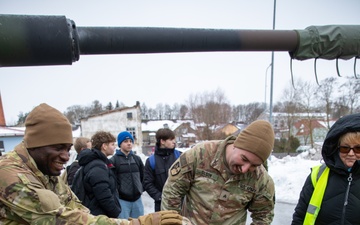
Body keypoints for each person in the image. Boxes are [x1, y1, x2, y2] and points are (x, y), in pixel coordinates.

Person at [0, 103, 190, 225]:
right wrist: (136, 224)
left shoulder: (46, 171)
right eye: (58, 148)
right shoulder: (10, 174)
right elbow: (61, 219)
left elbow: (76, 208)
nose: (66, 156)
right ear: (36, 145)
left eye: (67, 148)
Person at [161, 119, 276, 225]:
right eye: (244, 159)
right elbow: (172, 192)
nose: (245, 169)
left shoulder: (261, 179)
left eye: (254, 165)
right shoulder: (200, 155)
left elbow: (263, 216)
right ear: (236, 144)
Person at [291, 113, 360, 225]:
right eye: (345, 148)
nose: (351, 153)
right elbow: (300, 215)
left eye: (358, 148)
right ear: (336, 149)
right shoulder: (318, 175)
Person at [72, 131, 120, 218]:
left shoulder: (99, 163)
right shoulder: (98, 166)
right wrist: (115, 212)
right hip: (99, 215)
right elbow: (103, 195)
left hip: (97, 213)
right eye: (112, 144)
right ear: (104, 146)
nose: (115, 147)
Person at [143, 128, 182, 212]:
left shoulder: (180, 157)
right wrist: (160, 197)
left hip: (180, 204)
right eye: (171, 139)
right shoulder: (151, 161)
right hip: (161, 205)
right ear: (162, 141)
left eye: (174, 139)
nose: (174, 142)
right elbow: (147, 183)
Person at [110, 131, 145, 219]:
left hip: (137, 200)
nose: (129, 144)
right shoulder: (114, 161)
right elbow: (111, 180)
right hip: (122, 201)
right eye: (126, 141)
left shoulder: (137, 159)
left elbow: (143, 176)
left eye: (130, 141)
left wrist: (140, 189)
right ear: (120, 144)